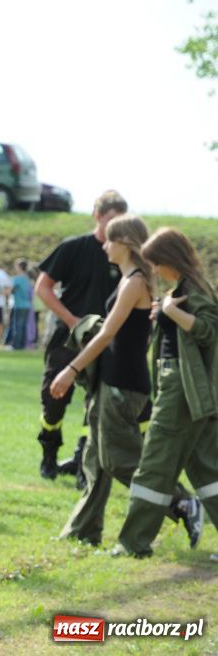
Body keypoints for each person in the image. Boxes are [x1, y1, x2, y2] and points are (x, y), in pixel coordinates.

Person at [50, 216, 198, 547]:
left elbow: (107, 335)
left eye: (110, 240)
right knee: (96, 460)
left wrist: (71, 369)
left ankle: (182, 501)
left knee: (118, 459)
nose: (104, 245)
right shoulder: (127, 279)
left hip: (122, 385)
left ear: (126, 243)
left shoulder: (135, 283)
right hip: (114, 381)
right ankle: (84, 532)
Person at [113, 228, 218, 558]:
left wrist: (171, 312)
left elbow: (208, 331)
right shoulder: (188, 288)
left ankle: (133, 544)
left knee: (154, 465)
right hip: (187, 390)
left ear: (170, 260)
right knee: (206, 469)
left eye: (156, 264)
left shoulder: (193, 291)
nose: (154, 271)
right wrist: (166, 313)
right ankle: (135, 541)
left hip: (181, 389)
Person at [34, 191, 125, 482]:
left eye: (121, 221)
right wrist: (73, 321)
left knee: (96, 405)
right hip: (68, 337)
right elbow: (43, 288)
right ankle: (49, 456)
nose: (116, 226)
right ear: (97, 216)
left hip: (107, 341)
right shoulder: (74, 247)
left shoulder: (125, 255)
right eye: (111, 219)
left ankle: (81, 460)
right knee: (54, 399)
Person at [9, 259, 32, 351]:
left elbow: (11, 290)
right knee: (23, 326)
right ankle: (22, 345)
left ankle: (16, 345)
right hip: (27, 305)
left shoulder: (17, 279)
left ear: (19, 267)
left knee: (17, 326)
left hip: (19, 305)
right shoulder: (27, 278)